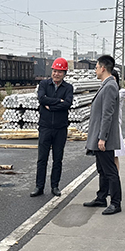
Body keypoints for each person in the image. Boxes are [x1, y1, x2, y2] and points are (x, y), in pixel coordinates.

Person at [82, 55, 122, 215]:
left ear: (103, 68)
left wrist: (102, 138)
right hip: (99, 135)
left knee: (110, 170)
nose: (95, 70)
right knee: (102, 169)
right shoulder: (106, 85)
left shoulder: (110, 86)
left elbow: (107, 114)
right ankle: (101, 197)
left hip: (104, 138)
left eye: (97, 67)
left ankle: (116, 203)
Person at [31, 57, 74, 197]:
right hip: (45, 127)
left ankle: (55, 186)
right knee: (42, 159)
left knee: (58, 159)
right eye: (55, 71)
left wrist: (51, 106)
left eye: (60, 72)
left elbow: (67, 104)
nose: (56, 74)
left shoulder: (68, 87)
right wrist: (58, 101)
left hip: (60, 128)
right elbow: (41, 99)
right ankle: (39, 187)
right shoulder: (44, 84)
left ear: (64, 73)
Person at [112, 70, 125, 171]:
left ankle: (115, 175)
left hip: (115, 125)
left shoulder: (121, 92)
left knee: (115, 154)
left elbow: (112, 99)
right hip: (105, 125)